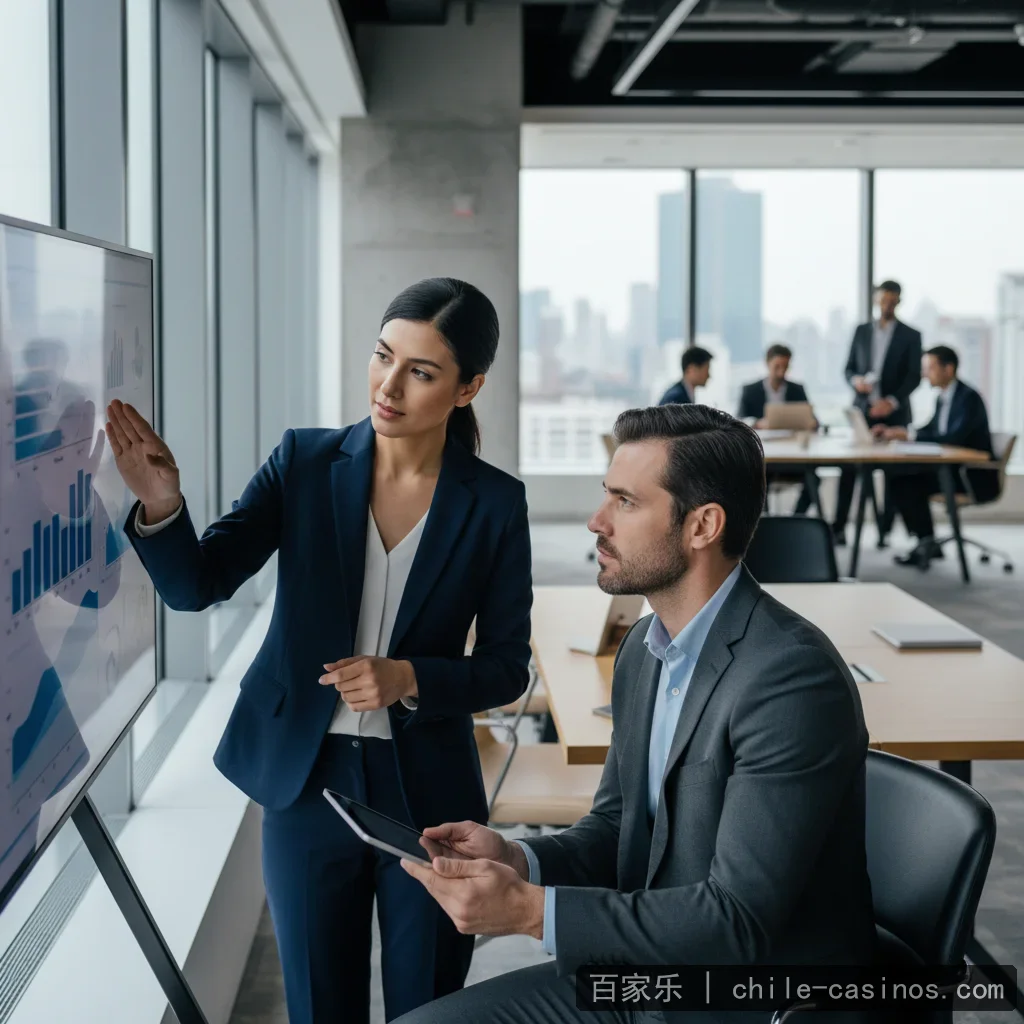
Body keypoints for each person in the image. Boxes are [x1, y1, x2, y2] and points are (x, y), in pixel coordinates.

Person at [106, 278, 533, 1024]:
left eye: (421, 372)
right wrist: (163, 506)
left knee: (429, 1007)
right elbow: (198, 585)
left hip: (426, 795)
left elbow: (506, 665)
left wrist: (408, 677)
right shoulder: (305, 463)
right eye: (382, 357)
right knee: (318, 1007)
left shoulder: (494, 502)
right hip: (306, 784)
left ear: (469, 388)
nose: (389, 386)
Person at [397, 404, 876, 1024]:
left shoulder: (789, 680)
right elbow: (620, 827)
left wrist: (530, 911)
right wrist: (518, 861)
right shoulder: (644, 653)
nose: (597, 522)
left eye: (625, 502)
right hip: (647, 973)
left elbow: (738, 924)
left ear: (702, 525)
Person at [875, 345, 995, 570]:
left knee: (906, 481)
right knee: (898, 477)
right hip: (948, 471)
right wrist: (904, 432)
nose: (924, 374)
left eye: (930, 368)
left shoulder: (968, 398)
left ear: (948, 369)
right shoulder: (943, 398)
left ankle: (926, 542)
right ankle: (926, 542)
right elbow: (931, 428)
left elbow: (954, 437)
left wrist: (910, 434)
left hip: (969, 476)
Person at [833, 280, 922, 545]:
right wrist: (855, 381)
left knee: (893, 473)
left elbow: (914, 376)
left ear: (899, 302)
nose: (888, 306)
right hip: (863, 410)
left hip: (894, 413)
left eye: (893, 301)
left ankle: (885, 530)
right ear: (876, 299)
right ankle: (838, 528)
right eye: (884, 300)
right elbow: (848, 369)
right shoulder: (861, 331)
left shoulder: (911, 335)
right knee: (849, 470)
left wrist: (892, 401)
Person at [737, 343, 817, 515]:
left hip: (794, 456)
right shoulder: (750, 391)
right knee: (758, 479)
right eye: (777, 366)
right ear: (767, 363)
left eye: (786, 367)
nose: (782, 372)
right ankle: (765, 523)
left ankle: (796, 519)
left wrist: (812, 422)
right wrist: (758, 423)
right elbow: (739, 422)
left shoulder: (797, 389)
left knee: (814, 478)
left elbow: (813, 419)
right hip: (766, 458)